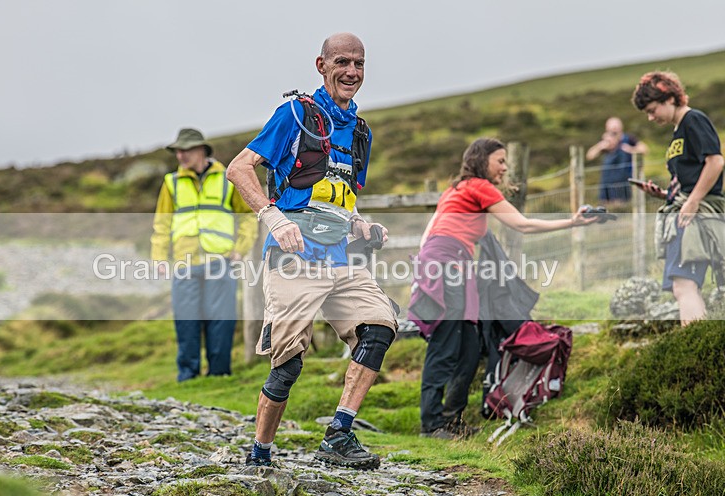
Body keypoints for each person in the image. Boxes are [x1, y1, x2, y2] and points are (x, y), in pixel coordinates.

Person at [227, 33, 397, 470]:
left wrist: (360, 222)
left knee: (379, 326)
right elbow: (238, 168)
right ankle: (260, 452)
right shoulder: (296, 114)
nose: (352, 72)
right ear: (321, 65)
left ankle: (339, 433)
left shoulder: (361, 132)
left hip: (341, 257)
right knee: (288, 362)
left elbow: (340, 192)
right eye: (342, 62)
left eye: (359, 63)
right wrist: (275, 218)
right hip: (293, 256)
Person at [410, 138, 598, 439]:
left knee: (470, 349)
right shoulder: (476, 186)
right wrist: (572, 223)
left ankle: (450, 420)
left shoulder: (456, 189)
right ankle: (431, 425)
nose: (506, 167)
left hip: (450, 267)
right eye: (500, 161)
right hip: (449, 269)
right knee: (444, 347)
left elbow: (428, 234)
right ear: (482, 161)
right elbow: (521, 225)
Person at [151, 128, 257, 381]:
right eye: (178, 150)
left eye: (185, 149)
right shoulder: (171, 182)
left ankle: (219, 375)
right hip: (184, 263)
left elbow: (248, 216)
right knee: (186, 322)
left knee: (221, 321)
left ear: (201, 150)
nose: (180, 155)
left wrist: (240, 250)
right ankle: (188, 377)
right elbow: (162, 223)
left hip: (221, 261)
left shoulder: (227, 177)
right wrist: (158, 257)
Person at [631, 71, 725, 326]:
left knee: (683, 285)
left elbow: (715, 161)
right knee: (683, 285)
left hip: (695, 214)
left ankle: (696, 350)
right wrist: (665, 194)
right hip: (686, 209)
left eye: (652, 110)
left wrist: (692, 201)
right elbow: (693, 174)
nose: (651, 118)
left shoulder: (694, 120)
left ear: (670, 98)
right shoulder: (678, 131)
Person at [586, 117, 648, 204]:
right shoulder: (605, 143)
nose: (613, 131)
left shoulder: (629, 139)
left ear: (621, 127)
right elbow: (590, 156)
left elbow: (644, 149)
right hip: (607, 182)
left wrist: (631, 149)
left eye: (616, 128)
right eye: (611, 129)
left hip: (625, 182)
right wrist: (600, 146)